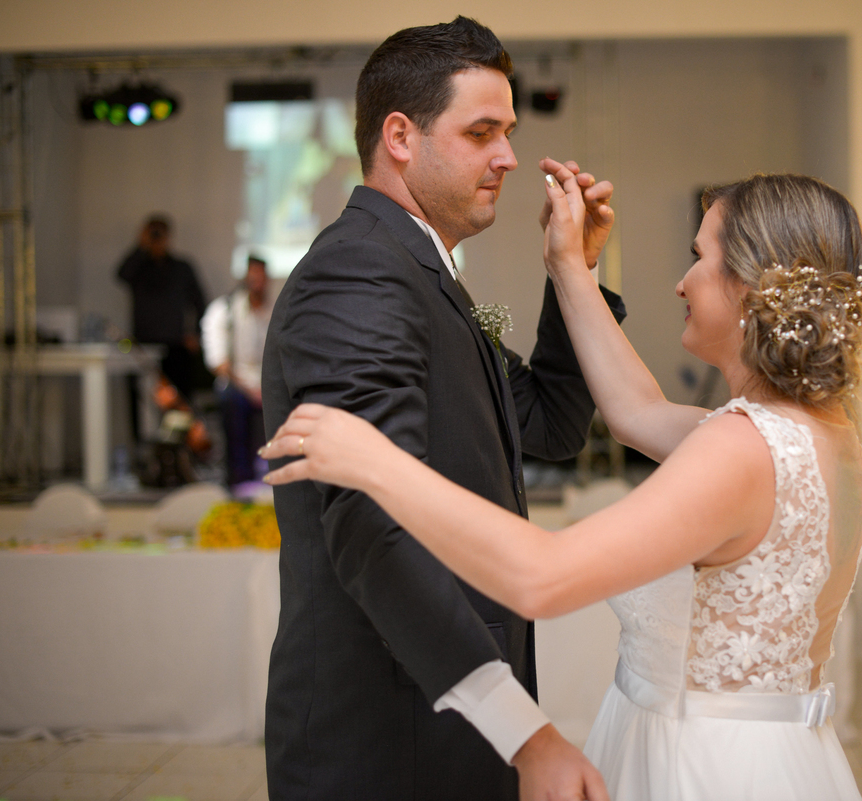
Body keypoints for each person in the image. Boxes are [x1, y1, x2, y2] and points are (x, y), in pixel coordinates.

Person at [262, 167, 862, 801]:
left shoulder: (739, 449)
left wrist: (376, 462)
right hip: (771, 751)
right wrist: (569, 266)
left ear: (751, 286)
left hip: (705, 765)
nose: (681, 281)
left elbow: (543, 576)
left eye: (699, 256)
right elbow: (634, 411)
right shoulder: (822, 435)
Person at [259, 17, 623, 801]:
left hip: (445, 722)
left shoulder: (430, 275)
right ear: (400, 135)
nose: (510, 157)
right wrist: (522, 729)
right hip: (390, 735)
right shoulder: (360, 272)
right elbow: (370, 524)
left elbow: (549, 423)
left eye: (510, 131)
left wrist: (574, 271)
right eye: (482, 131)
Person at [116, 215, 207, 403]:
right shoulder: (139, 267)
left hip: (175, 345)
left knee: (179, 402)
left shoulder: (182, 268)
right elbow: (121, 275)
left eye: (159, 233)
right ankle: (142, 435)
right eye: (152, 232)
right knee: (142, 403)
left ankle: (180, 433)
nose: (156, 238)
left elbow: (200, 302)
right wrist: (141, 246)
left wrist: (196, 333)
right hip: (143, 344)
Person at [201, 255, 272, 486]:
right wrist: (250, 390)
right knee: (233, 402)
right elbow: (219, 363)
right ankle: (240, 479)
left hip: (268, 383)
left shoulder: (273, 311)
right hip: (237, 384)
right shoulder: (225, 311)